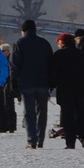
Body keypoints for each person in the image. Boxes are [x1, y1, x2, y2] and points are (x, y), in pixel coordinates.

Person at [10, 20, 53, 149]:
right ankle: (40, 140)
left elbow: (14, 65)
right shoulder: (44, 43)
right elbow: (51, 64)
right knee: (42, 112)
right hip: (43, 83)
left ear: (23, 31)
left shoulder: (19, 43)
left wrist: (14, 83)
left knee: (29, 113)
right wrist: (51, 84)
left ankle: (31, 140)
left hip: (27, 83)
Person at [50, 33, 84, 149]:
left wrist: (51, 85)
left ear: (62, 43)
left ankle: (70, 142)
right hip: (82, 89)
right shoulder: (82, 54)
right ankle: (83, 136)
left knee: (68, 116)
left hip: (65, 90)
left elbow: (53, 73)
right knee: (82, 113)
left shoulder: (59, 55)